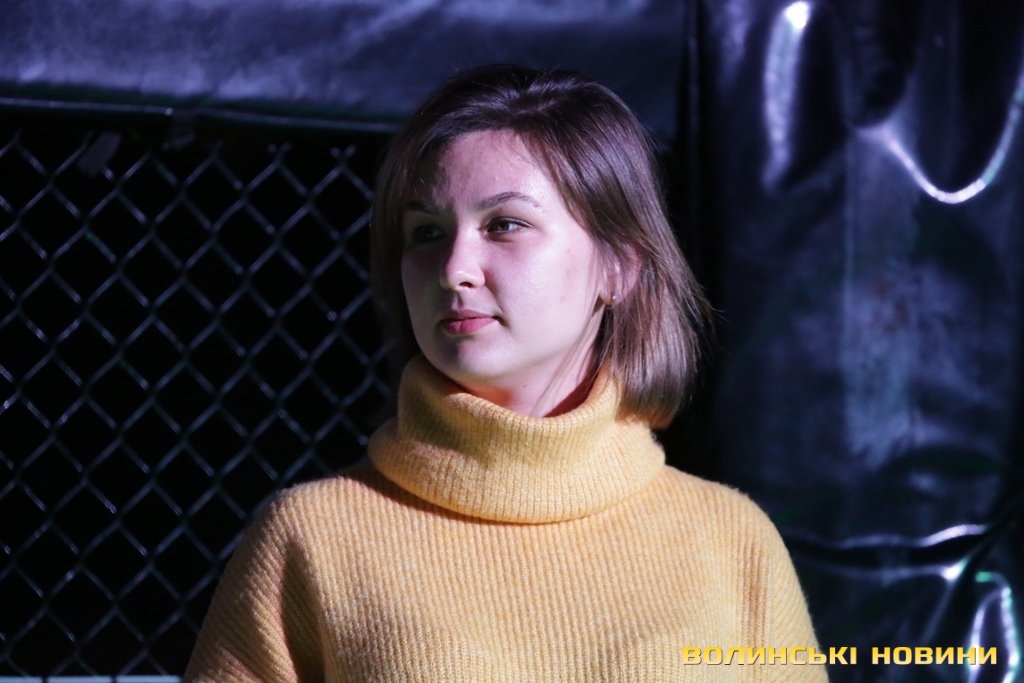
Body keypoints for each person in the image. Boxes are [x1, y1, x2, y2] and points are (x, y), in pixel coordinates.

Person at [185, 65, 826, 681]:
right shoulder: (312, 538)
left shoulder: (731, 540)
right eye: (426, 232)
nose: (454, 268)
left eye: (504, 225)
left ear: (619, 266)